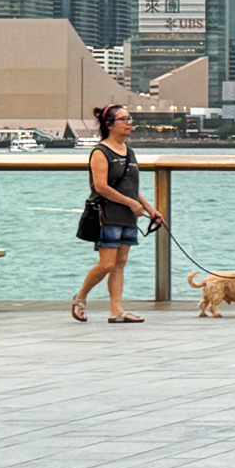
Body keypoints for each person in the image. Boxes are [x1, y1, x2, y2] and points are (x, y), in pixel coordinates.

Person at [73, 104, 163, 324]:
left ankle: (117, 311)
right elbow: (101, 187)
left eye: (129, 118)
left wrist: (151, 210)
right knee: (106, 263)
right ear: (109, 124)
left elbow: (131, 187)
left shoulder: (129, 152)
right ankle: (80, 298)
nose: (129, 123)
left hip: (128, 216)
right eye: (124, 119)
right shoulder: (100, 152)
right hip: (108, 214)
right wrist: (131, 203)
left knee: (121, 262)